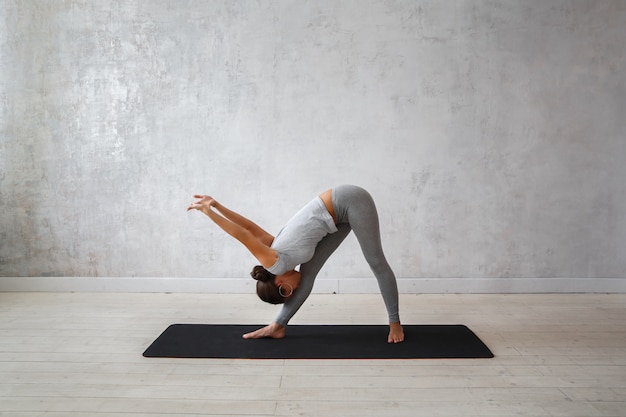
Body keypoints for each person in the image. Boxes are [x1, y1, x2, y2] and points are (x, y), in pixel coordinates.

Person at [187, 185, 404, 343]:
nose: (297, 289)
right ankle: (277, 327)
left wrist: (210, 211)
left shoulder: (275, 263)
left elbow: (244, 233)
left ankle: (395, 323)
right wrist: (215, 205)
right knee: (308, 276)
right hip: (336, 218)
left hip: (349, 200)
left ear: (282, 285)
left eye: (292, 292)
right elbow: (251, 228)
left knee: (376, 261)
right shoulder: (278, 252)